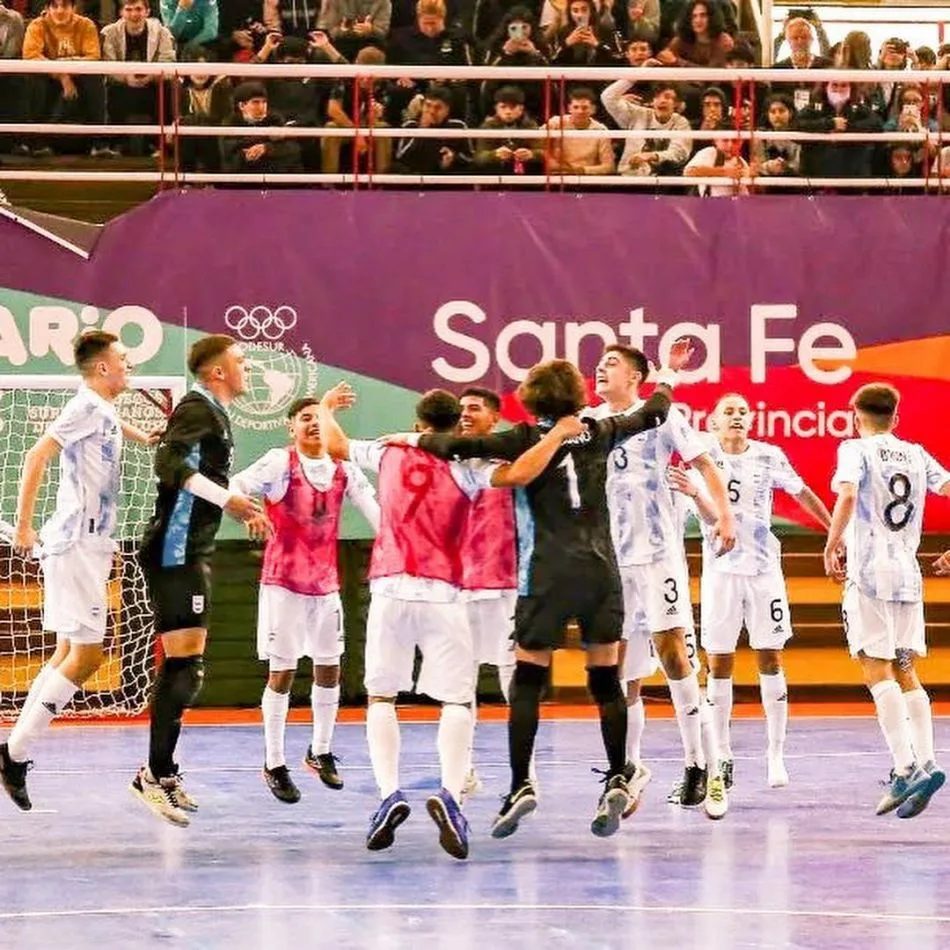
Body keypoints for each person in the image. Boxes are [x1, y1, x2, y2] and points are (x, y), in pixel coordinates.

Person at [407, 342, 730, 840]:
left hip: (548, 574)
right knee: (608, 682)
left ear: (531, 399)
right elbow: (656, 410)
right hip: (604, 571)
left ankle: (520, 786)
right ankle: (620, 775)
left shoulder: (521, 437)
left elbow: (453, 448)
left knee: (529, 682)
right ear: (577, 396)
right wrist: (668, 377)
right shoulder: (598, 429)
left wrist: (411, 439)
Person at [319, 385, 574, 860]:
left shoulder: (388, 450)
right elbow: (520, 472)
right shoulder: (467, 465)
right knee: (458, 699)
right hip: (443, 592)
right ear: (455, 426)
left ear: (419, 423)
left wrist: (326, 408)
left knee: (381, 696)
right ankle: (452, 797)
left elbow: (334, 444)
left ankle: (388, 794)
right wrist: (557, 434)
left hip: (389, 588)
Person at [0, 331, 159, 810]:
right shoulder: (84, 406)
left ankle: (14, 751)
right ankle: (15, 752)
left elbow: (110, 426)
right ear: (103, 367)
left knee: (67, 651)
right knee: (87, 657)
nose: (129, 365)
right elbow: (35, 456)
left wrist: (142, 436)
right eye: (123, 359)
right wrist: (25, 527)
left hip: (88, 544)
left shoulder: (103, 409)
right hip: (75, 543)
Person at [586, 345, 733, 818]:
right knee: (622, 671)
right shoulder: (589, 422)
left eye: (611, 364)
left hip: (658, 556)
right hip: (611, 561)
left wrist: (724, 518)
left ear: (636, 377)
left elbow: (706, 463)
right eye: (599, 364)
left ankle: (701, 766)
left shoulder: (663, 417)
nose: (600, 369)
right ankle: (628, 770)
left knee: (672, 654)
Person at [131, 334, 268, 827]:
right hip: (174, 550)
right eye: (240, 361)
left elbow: (202, 478)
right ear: (216, 371)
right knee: (184, 667)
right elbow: (169, 466)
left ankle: (163, 774)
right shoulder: (196, 408)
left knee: (190, 667)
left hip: (192, 550)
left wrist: (239, 502)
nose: (247, 367)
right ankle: (153, 775)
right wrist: (228, 499)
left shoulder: (215, 414)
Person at [673, 393, 831, 794]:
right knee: (719, 662)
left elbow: (802, 492)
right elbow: (706, 515)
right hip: (721, 573)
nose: (738, 417)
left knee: (770, 656)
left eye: (743, 411)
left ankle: (775, 754)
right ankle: (722, 755)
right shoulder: (700, 459)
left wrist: (834, 531)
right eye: (729, 411)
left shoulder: (769, 455)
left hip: (763, 571)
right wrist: (694, 494)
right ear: (712, 422)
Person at [229, 397, 380, 804]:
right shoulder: (280, 463)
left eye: (320, 418)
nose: (314, 425)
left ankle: (320, 750)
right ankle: (274, 762)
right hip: (283, 585)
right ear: (290, 427)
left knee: (329, 669)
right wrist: (248, 512)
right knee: (283, 673)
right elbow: (236, 487)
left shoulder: (343, 470)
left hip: (326, 585)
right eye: (305, 419)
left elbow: (378, 517)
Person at [824, 383, 950, 818]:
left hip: (869, 574)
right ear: (896, 418)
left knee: (876, 670)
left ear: (854, 414)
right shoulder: (915, 453)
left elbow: (847, 494)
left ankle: (905, 767)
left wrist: (832, 542)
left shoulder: (855, 450)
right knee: (906, 668)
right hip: (908, 575)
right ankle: (928, 760)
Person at [454, 387, 519, 798]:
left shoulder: (511, 466)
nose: (465, 414)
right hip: (458, 588)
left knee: (515, 681)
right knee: (459, 682)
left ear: (494, 418)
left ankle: (521, 772)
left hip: (507, 586)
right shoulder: (447, 461)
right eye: (461, 409)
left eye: (474, 409)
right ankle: (463, 770)